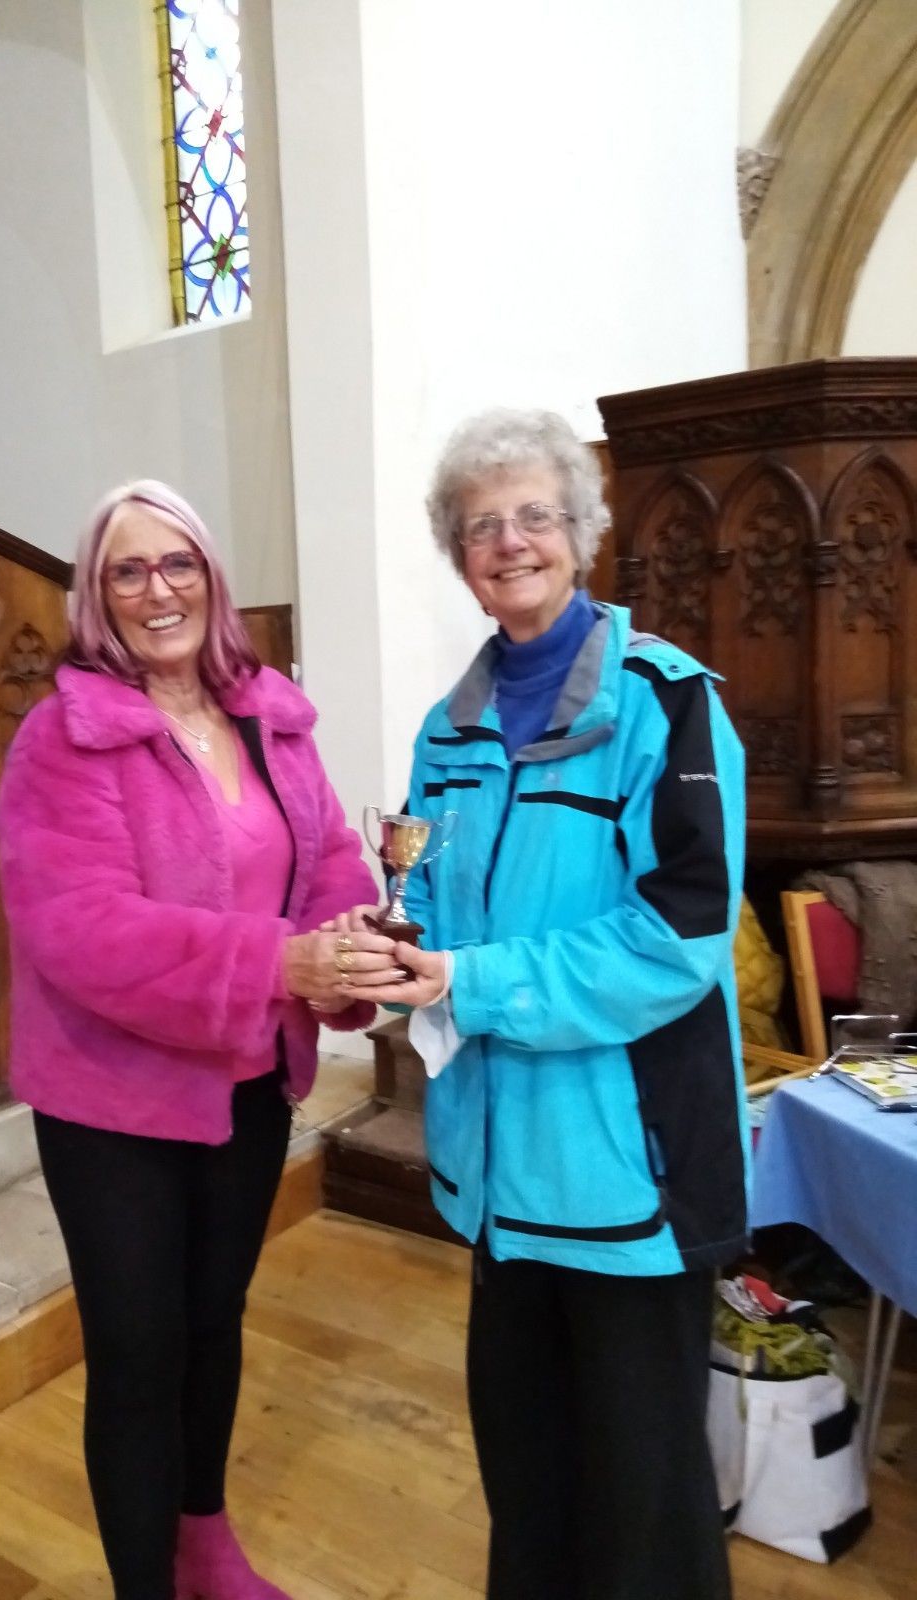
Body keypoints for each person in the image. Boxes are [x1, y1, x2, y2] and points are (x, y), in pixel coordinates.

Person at [340, 409, 747, 1600]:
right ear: (459, 557)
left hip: (627, 1172)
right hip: (496, 1177)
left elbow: (678, 941)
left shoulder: (666, 703)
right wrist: (399, 940)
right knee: (527, 1478)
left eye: (534, 515)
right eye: (481, 526)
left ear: (582, 530)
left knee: (646, 1500)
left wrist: (475, 979)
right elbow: (442, 915)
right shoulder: (447, 730)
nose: (509, 541)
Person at [0, 481, 392, 1600]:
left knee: (214, 1321)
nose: (157, 587)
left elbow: (328, 862)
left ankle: (203, 1539)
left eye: (178, 563)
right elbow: (82, 931)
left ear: (212, 579)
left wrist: (352, 941)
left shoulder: (273, 714)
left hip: (249, 1082)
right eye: (128, 569)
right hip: (111, 1102)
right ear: (97, 595)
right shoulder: (63, 739)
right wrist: (281, 963)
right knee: (137, 1354)